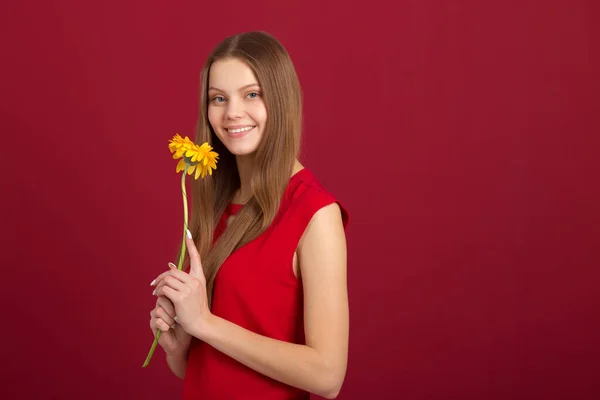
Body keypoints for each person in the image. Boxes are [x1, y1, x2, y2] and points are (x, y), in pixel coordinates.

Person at [149, 31, 350, 399]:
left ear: (282, 98)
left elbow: (327, 375)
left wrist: (205, 324)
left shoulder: (316, 213)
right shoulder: (214, 205)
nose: (232, 113)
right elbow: (204, 370)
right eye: (218, 98)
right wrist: (179, 347)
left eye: (251, 94)